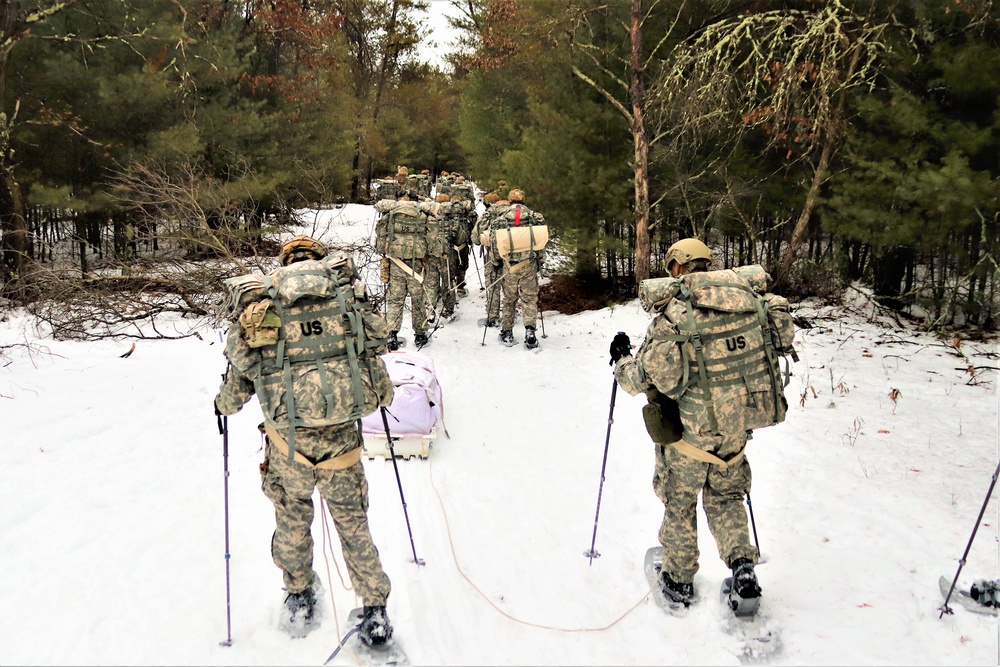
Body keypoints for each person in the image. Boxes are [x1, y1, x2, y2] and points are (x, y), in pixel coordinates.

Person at [214, 235, 395, 646]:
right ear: (318, 258)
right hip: (341, 445)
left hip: (286, 445)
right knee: (354, 525)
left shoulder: (263, 305)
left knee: (292, 522)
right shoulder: (344, 296)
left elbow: (241, 375)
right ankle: (374, 610)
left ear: (284, 261)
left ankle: (299, 596)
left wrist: (222, 406)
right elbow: (376, 346)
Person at [611, 238, 771, 612]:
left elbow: (641, 380)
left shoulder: (676, 316)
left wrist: (621, 359)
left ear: (678, 268)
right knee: (728, 496)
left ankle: (679, 580)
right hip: (736, 429)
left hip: (689, 436)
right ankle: (743, 568)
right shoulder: (745, 307)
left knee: (680, 502)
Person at [375, 190, 442, 349]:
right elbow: (433, 242)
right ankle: (420, 335)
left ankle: (391, 334)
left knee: (395, 300)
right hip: (416, 266)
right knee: (417, 300)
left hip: (395, 263)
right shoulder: (423, 215)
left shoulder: (390, 215)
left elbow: (380, 238)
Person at [490, 188, 546, 349]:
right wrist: (540, 261)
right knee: (529, 299)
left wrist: (495, 263)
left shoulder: (500, 220)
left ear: (510, 200)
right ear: (524, 199)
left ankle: (507, 332)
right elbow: (541, 241)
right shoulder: (535, 218)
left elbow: (495, 244)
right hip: (528, 264)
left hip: (509, 266)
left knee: (509, 300)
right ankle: (530, 331)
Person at [472, 192, 503, 327]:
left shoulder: (487, 215)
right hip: (512, 256)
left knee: (493, 285)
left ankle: (493, 316)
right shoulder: (510, 213)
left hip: (492, 255)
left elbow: (475, 238)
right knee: (510, 287)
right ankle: (510, 314)